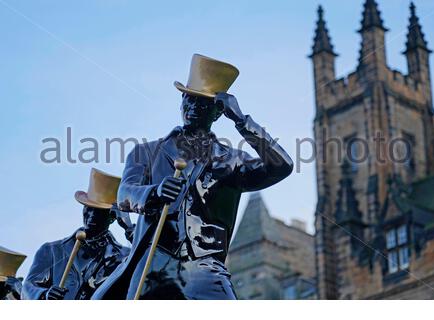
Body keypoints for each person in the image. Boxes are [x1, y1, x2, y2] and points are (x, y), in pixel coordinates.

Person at [93, 54, 293, 300]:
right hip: (155, 267)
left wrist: (242, 121)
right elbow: (124, 194)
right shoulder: (146, 153)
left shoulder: (233, 161)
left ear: (218, 113)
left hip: (207, 270)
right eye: (187, 100)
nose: (191, 108)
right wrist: (153, 192)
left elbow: (282, 166)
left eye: (201, 104)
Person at [22, 169, 131, 300]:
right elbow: (28, 287)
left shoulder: (124, 257)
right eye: (88, 208)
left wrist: (128, 227)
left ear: (113, 217)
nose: (90, 216)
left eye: (98, 212)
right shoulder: (52, 250)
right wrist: (43, 295)